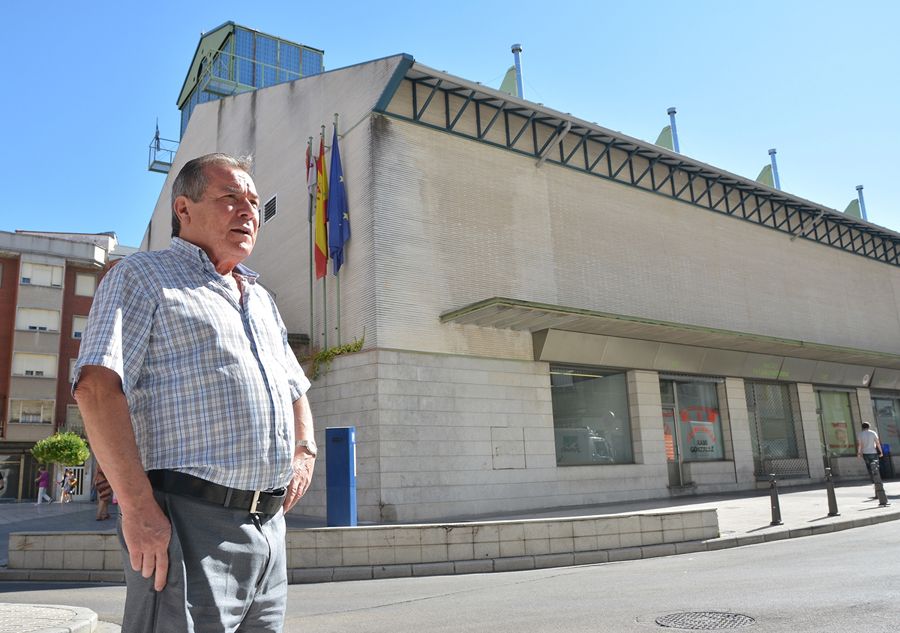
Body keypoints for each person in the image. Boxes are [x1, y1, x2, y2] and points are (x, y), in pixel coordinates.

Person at [73, 153, 316, 633]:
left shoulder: (262, 300)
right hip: (186, 524)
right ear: (183, 210)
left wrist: (304, 450)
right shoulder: (142, 276)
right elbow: (96, 388)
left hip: (269, 530)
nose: (249, 211)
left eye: (252, 201)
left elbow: (295, 387)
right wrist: (138, 507)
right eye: (230, 198)